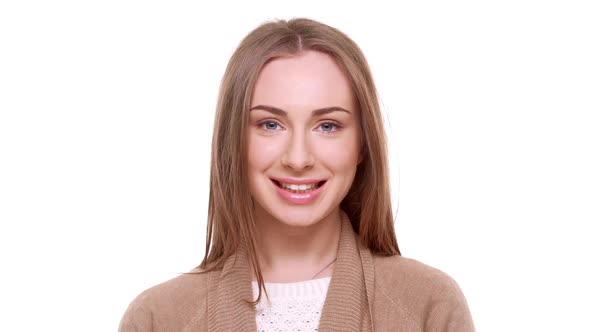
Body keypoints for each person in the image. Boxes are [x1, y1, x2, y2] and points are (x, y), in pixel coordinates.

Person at [118, 18, 475, 332]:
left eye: (328, 125)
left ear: (362, 144)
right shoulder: (158, 318)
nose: (299, 158)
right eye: (270, 124)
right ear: (234, 142)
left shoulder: (427, 305)